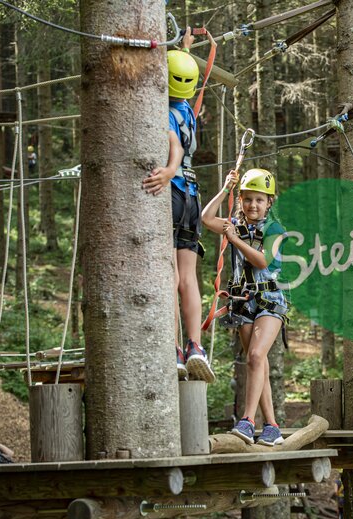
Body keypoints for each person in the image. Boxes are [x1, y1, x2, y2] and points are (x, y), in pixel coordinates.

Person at [143, 30, 215, 383]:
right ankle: (196, 346)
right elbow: (183, 75)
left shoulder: (164, 110)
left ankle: (173, 347)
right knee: (188, 277)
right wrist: (184, 50)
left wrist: (168, 170)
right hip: (193, 195)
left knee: (170, 276)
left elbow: (172, 144)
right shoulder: (188, 107)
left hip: (173, 191)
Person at [202, 168, 290, 446]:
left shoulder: (275, 229)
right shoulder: (235, 225)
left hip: (270, 301)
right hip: (244, 303)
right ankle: (272, 426)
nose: (253, 205)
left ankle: (248, 421)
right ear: (241, 200)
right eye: (248, 199)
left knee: (255, 356)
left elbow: (263, 261)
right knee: (256, 362)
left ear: (269, 202)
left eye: (259, 200)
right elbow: (205, 218)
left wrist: (235, 240)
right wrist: (226, 189)